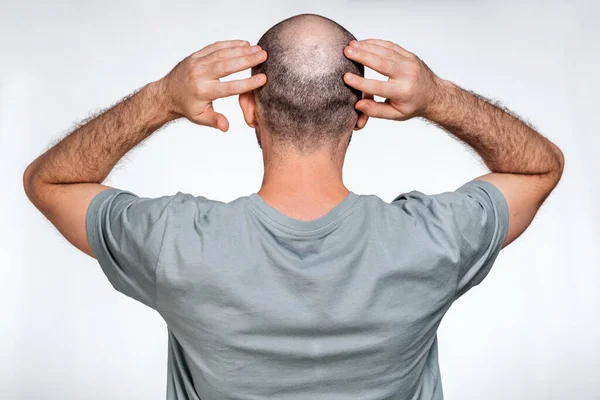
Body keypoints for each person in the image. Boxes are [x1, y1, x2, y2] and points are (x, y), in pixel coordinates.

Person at [23, 13, 564, 400]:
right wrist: (438, 96)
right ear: (362, 114)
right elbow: (540, 167)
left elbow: (48, 182)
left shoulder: (175, 243)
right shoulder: (435, 240)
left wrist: (161, 98)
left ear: (248, 107)